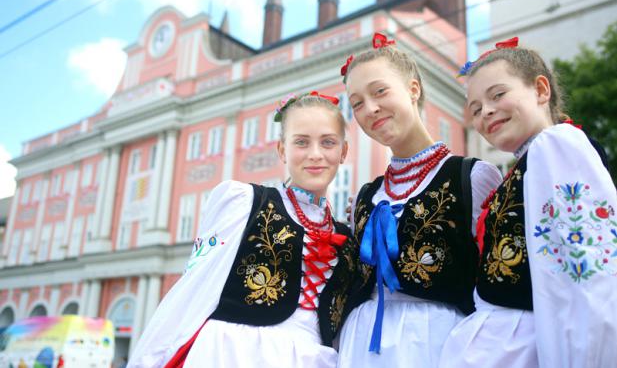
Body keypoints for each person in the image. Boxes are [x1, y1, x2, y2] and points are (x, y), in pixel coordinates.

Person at [128, 92, 357, 368]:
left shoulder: (348, 236)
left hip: (314, 357)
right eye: (301, 142)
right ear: (282, 150)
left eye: (328, 142)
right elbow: (195, 287)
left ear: (343, 152)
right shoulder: (246, 202)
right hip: (236, 353)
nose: (315, 154)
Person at [439, 38, 617, 368]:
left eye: (498, 95)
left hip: (528, 342)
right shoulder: (529, 160)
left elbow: (585, 272)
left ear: (540, 90)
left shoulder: (556, 144)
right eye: (476, 109)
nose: (486, 111)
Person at [336, 33, 502, 368]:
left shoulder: (471, 177)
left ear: (413, 89)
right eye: (356, 103)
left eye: (380, 91)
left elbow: (496, 281)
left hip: (439, 343)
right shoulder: (366, 197)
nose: (370, 109)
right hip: (363, 344)